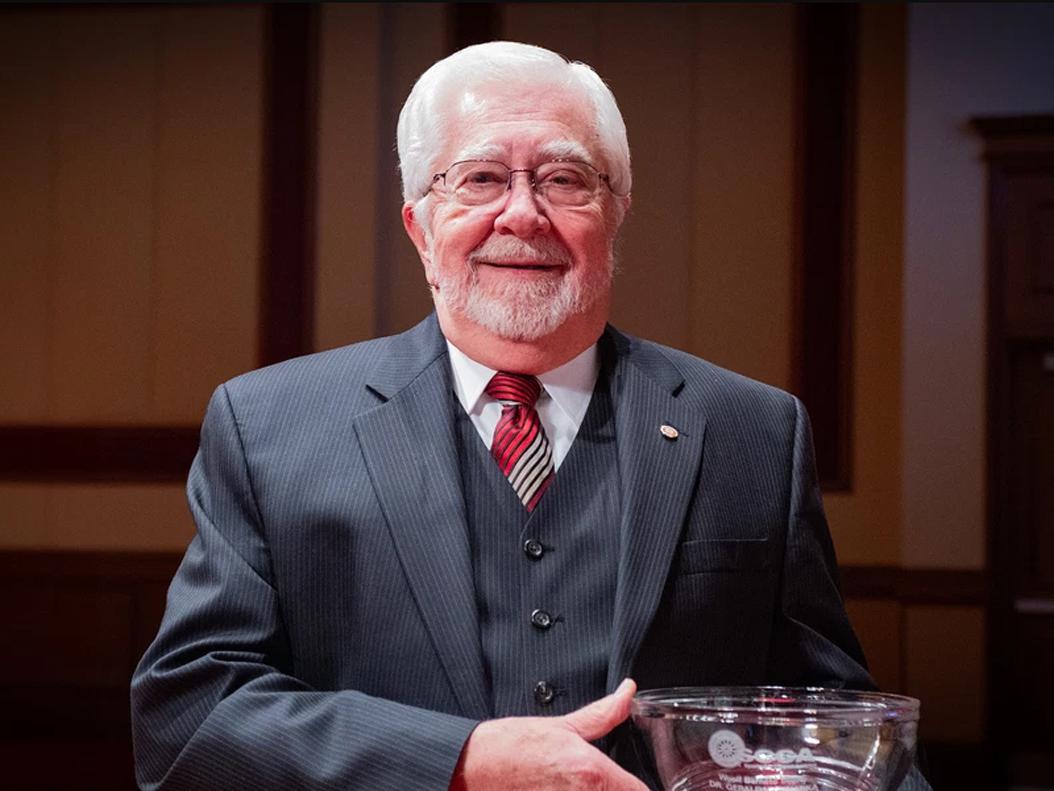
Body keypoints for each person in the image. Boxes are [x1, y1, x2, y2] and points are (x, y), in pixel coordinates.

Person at [131, 41, 929, 790]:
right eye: (479, 178)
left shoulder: (756, 432)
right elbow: (191, 714)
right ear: (419, 226)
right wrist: (461, 757)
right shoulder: (267, 427)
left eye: (563, 179)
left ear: (614, 213)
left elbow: (838, 730)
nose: (522, 214)